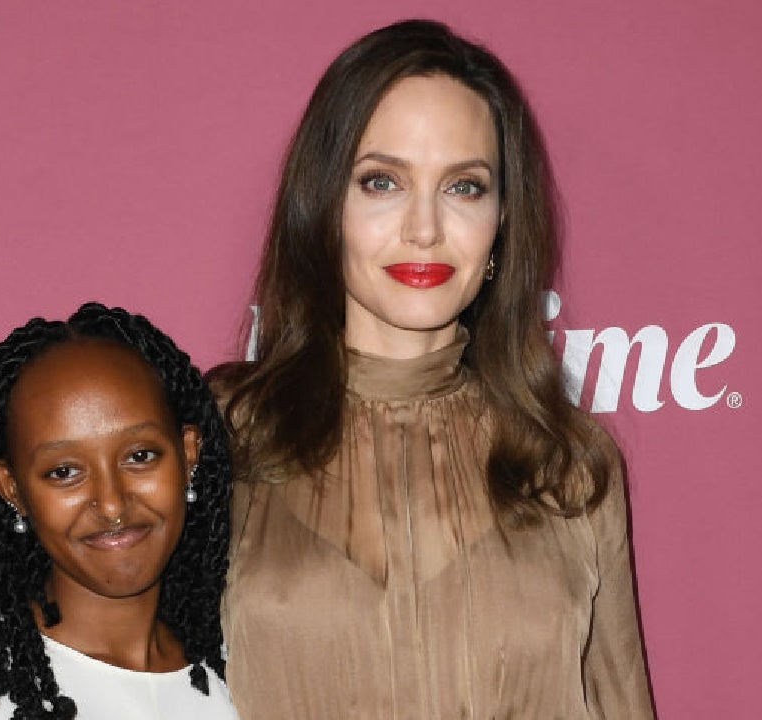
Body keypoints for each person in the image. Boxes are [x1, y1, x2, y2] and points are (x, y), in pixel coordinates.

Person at [210, 19, 655, 719]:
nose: (424, 228)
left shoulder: (568, 462)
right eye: (382, 181)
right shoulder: (224, 435)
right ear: (324, 207)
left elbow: (619, 701)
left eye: (465, 187)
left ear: (504, 222)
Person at [0, 303, 237, 720]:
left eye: (140, 456)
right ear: (13, 490)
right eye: (64, 471)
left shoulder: (241, 681)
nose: (112, 503)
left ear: (189, 455)